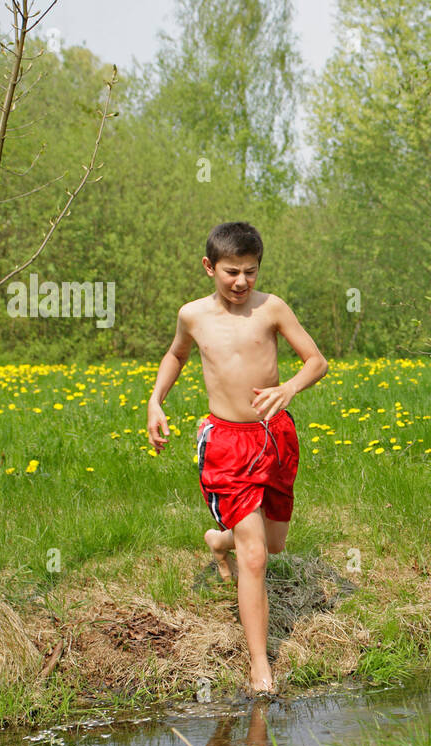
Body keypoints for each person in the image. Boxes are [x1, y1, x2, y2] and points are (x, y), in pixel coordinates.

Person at [147, 221, 328, 694]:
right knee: (254, 558)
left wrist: (289, 387)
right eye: (231, 272)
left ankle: (218, 540)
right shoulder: (192, 315)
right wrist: (155, 401)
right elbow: (176, 356)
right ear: (209, 267)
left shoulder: (272, 309)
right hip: (225, 443)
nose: (241, 282)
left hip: (274, 437)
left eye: (250, 271)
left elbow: (316, 361)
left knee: (272, 546)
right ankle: (259, 665)